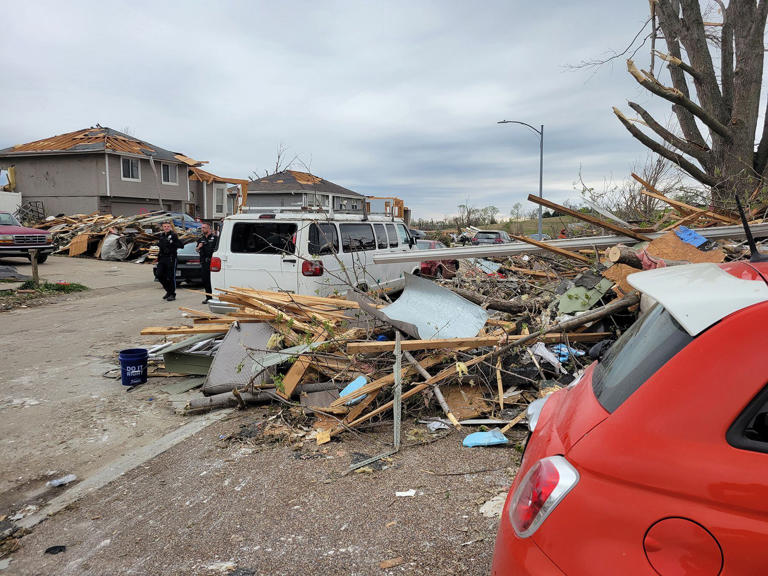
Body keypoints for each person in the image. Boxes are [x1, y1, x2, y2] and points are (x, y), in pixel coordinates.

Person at [156, 221, 184, 302]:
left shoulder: (174, 236)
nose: (166, 228)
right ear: (162, 227)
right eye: (165, 226)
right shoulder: (161, 236)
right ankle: (168, 291)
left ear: (170, 227)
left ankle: (172, 294)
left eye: (168, 226)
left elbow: (181, 246)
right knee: (159, 275)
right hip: (162, 258)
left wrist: (172, 244)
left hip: (171, 258)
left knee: (170, 277)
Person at [196, 222, 218, 303]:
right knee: (206, 280)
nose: (202, 229)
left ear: (209, 228)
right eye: (202, 228)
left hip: (213, 262)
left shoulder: (215, 238)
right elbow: (196, 250)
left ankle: (215, 297)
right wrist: (199, 247)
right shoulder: (201, 239)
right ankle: (208, 297)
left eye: (204, 227)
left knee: (213, 280)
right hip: (204, 262)